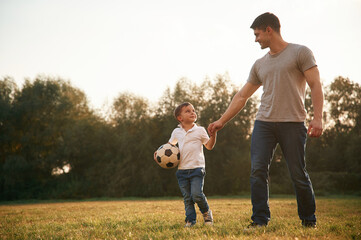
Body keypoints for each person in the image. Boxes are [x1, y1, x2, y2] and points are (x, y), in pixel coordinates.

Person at [208, 12, 324, 228]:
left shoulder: (300, 52)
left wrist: (318, 118)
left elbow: (315, 84)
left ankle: (309, 220)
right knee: (257, 170)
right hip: (264, 124)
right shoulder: (259, 64)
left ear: (269, 30)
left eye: (257, 34)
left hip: (293, 123)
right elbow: (242, 96)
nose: (256, 39)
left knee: (298, 173)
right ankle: (260, 220)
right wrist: (221, 121)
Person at [154, 102, 217, 227]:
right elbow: (168, 148)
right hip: (182, 171)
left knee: (197, 195)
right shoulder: (177, 132)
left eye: (193, 110)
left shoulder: (200, 130)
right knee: (188, 198)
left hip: (197, 169)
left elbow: (209, 146)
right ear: (180, 118)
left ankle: (206, 213)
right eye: (187, 111)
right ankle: (190, 221)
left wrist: (213, 135)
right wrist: (158, 154)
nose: (192, 112)